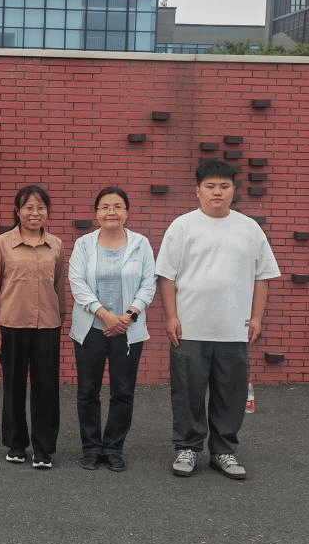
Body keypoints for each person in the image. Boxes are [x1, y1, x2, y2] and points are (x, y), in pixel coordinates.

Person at [155, 159, 280, 481]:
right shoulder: (182, 227)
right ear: (197, 191)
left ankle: (224, 450)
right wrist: (171, 316)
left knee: (230, 394)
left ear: (234, 190)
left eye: (224, 186)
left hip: (233, 329)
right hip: (190, 328)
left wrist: (257, 317)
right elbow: (166, 276)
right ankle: (187, 448)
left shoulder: (249, 229)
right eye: (210, 186)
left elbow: (263, 276)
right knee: (188, 393)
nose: (217, 192)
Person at [0, 184, 68, 469]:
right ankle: (16, 444)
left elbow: (59, 286)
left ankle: (44, 449)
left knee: (46, 389)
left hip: (47, 327)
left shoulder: (56, 245)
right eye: (29, 207)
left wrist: (61, 318)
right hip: (11, 325)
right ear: (17, 211)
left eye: (41, 207)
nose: (35, 213)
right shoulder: (1, 244)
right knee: (14, 387)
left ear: (47, 212)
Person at [68, 187, 157, 472]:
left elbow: (149, 283)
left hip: (128, 330)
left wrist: (128, 316)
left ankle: (113, 448)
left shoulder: (141, 243)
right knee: (88, 391)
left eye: (118, 206)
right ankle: (91, 448)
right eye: (105, 207)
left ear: (127, 212)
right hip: (91, 329)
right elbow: (77, 283)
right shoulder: (83, 244)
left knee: (123, 391)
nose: (111, 212)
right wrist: (106, 316)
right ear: (96, 212)